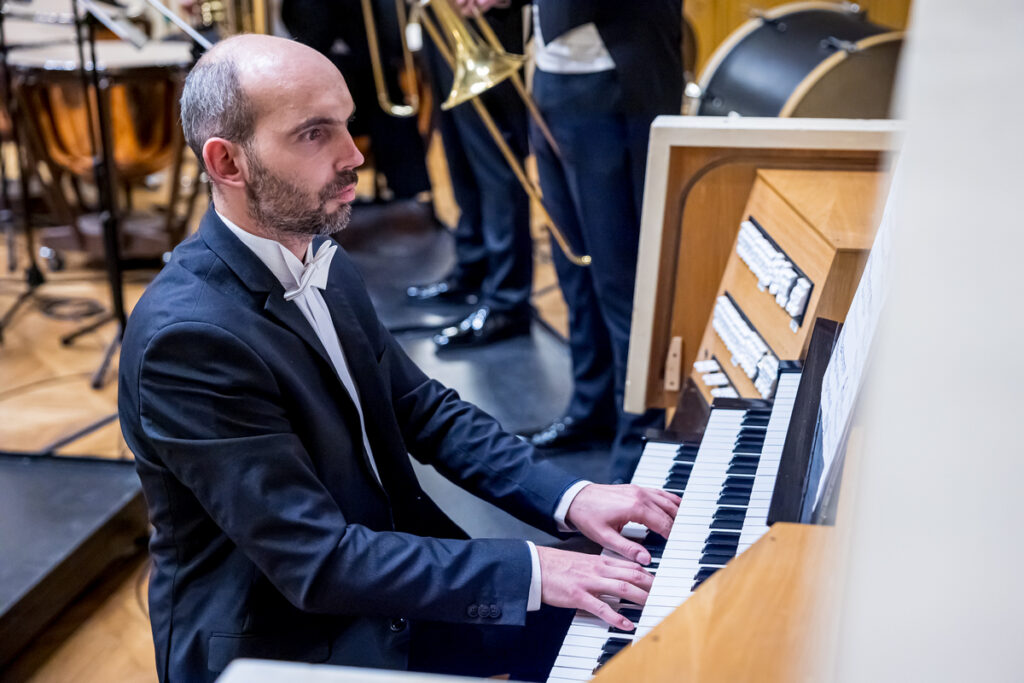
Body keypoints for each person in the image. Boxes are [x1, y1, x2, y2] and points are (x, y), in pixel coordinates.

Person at [118, 35, 680, 683]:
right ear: (228, 162)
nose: (354, 155)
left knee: (649, 609)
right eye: (314, 134)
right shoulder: (188, 342)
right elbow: (317, 562)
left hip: (389, 581)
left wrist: (571, 497)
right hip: (295, 641)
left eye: (347, 124)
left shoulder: (322, 258)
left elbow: (421, 408)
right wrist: (533, 567)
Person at [506, 0, 684, 484]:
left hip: (615, 79)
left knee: (621, 276)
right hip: (551, 77)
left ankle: (639, 432)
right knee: (574, 267)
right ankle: (593, 408)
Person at [406, 2, 535, 349]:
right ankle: (473, 267)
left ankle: (508, 301)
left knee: (495, 162)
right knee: (460, 154)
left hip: (484, 15)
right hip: (439, 16)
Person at [281, 0, 433, 203]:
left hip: (372, 65)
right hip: (324, 70)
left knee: (392, 114)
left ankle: (412, 201)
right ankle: (325, 201)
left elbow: (393, 28)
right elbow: (310, 32)